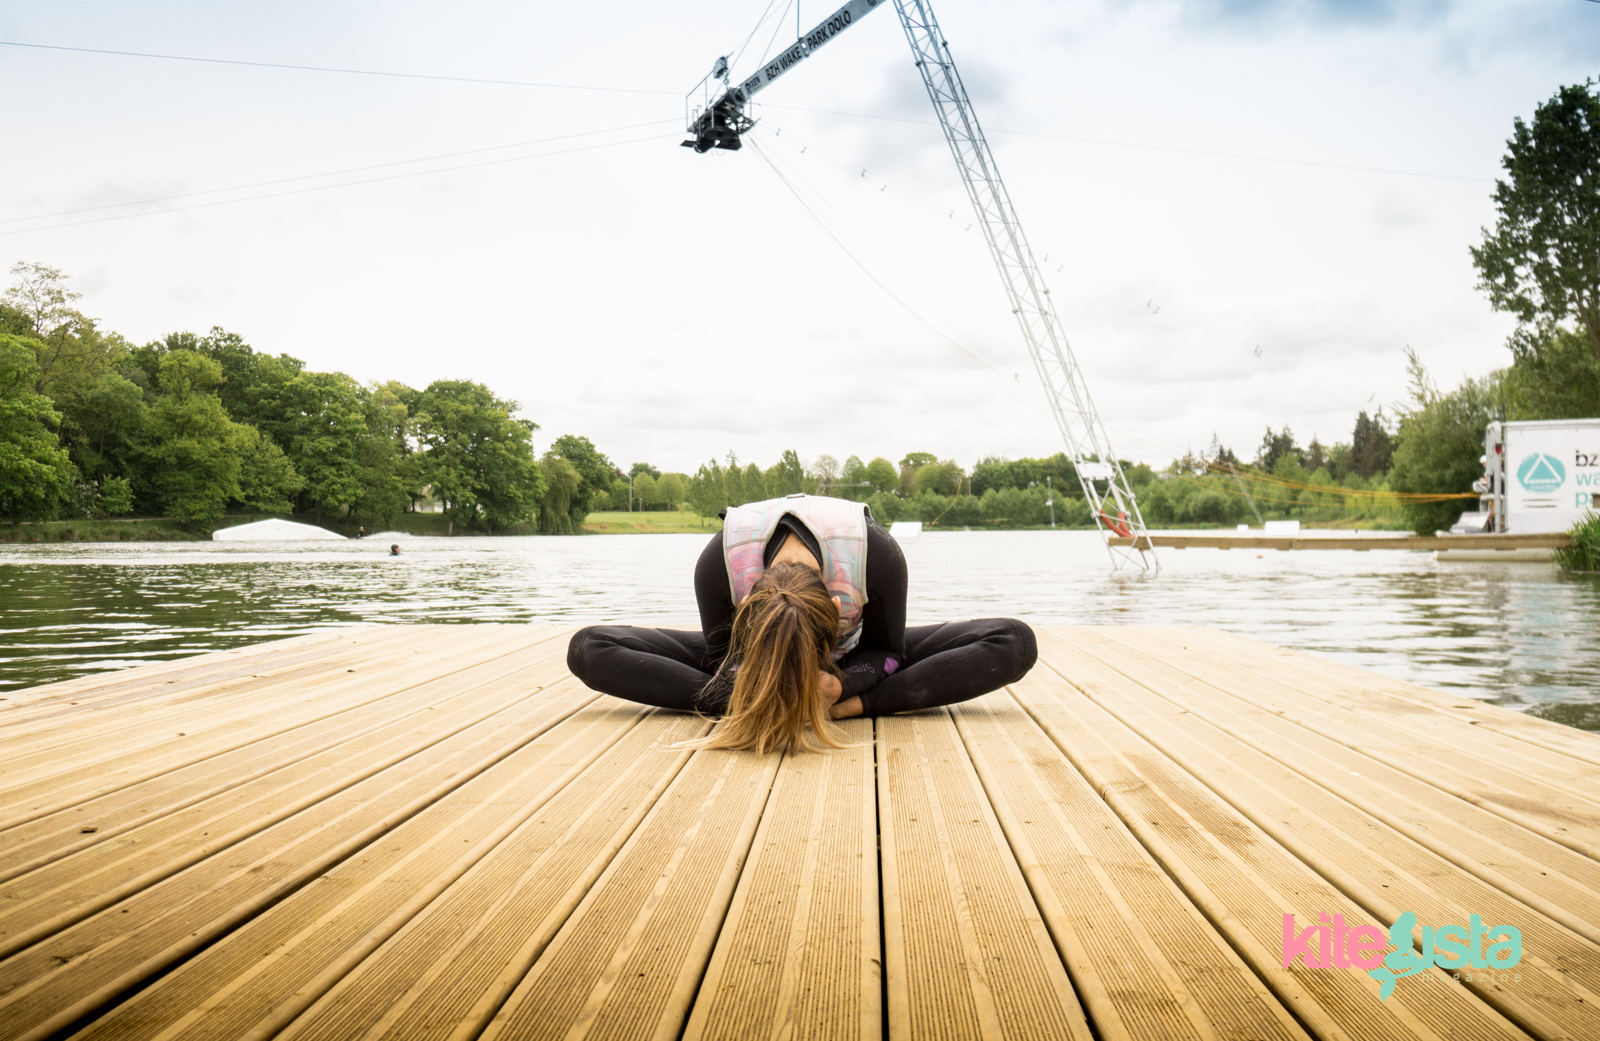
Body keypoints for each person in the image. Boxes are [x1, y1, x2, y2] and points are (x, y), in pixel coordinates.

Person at [567, 493, 1036, 753]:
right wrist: (760, 684)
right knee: (591, 647)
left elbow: (888, 653)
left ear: (837, 612)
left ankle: (808, 697)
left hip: (856, 657)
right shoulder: (719, 562)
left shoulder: (878, 555)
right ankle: (769, 689)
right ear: (746, 603)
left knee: (1012, 641)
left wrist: (844, 692)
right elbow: (718, 659)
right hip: (752, 662)